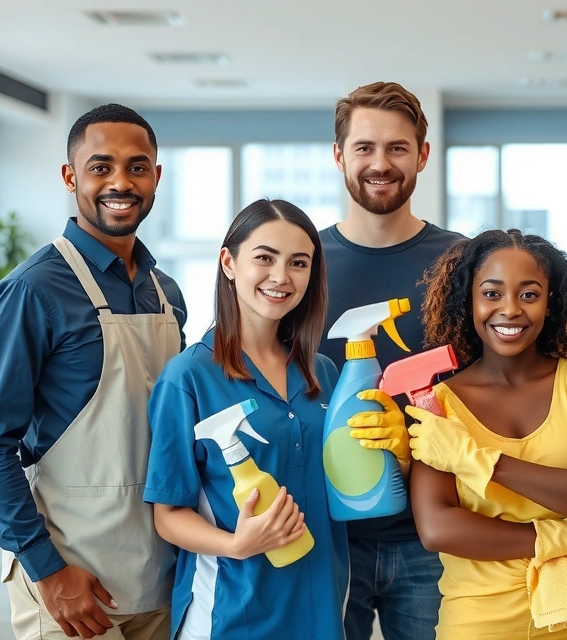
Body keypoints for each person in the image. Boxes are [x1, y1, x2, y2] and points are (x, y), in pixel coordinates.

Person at [144, 199, 404, 639]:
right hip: (231, 611)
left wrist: (396, 448)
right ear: (229, 262)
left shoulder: (322, 372)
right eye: (264, 258)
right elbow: (168, 513)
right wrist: (234, 544)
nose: (281, 277)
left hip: (321, 604)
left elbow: (349, 484)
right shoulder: (188, 377)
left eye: (298, 263)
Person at [0, 104, 186, 640]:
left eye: (138, 167)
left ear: (157, 177)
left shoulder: (168, 295)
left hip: (160, 577)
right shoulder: (34, 290)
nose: (121, 181)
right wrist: (46, 569)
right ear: (71, 176)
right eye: (101, 166)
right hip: (74, 583)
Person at [406, 229, 567, 639]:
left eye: (529, 294)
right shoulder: (437, 403)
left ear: (550, 303)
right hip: (478, 622)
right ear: (470, 301)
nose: (510, 310)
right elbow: (438, 528)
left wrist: (478, 462)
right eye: (492, 293)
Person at [320, 81, 463, 640]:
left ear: (423, 155)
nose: (380, 163)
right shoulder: (303, 263)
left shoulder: (462, 261)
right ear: (339, 156)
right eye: (364, 148)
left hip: (433, 531)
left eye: (398, 148)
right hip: (329, 533)